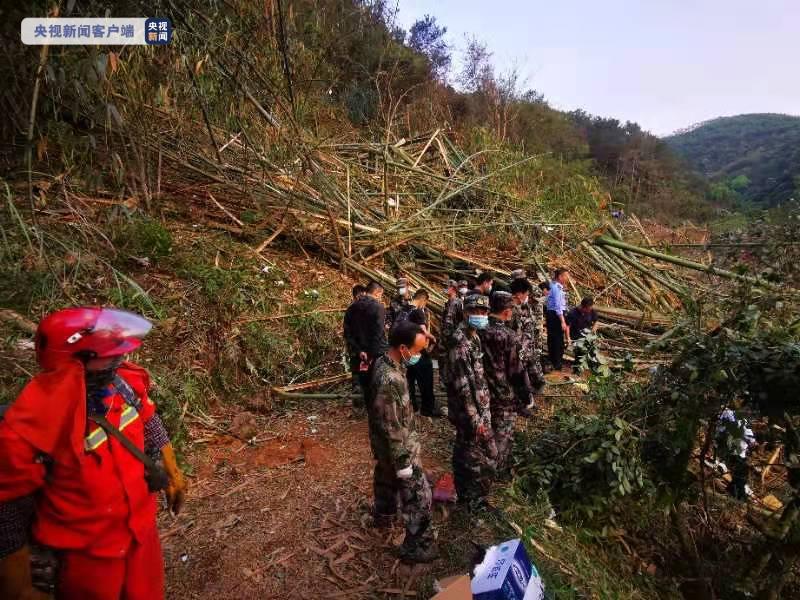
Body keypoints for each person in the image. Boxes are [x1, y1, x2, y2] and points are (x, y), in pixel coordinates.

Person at [0, 307, 187, 600]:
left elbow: (148, 419)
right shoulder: (31, 427)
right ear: (78, 361)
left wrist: (172, 469)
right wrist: (19, 585)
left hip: (141, 534)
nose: (120, 358)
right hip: (86, 556)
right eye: (110, 355)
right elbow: (8, 508)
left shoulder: (123, 384)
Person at [367, 321, 436, 563]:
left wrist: (425, 335)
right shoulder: (390, 379)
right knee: (419, 496)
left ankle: (384, 514)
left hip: (387, 446)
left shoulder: (385, 361)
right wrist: (404, 462)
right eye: (416, 351)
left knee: (385, 477)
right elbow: (391, 424)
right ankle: (415, 546)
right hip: (399, 447)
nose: (418, 355)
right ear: (403, 348)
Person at [445, 294, 496, 510]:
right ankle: (471, 499)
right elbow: (463, 387)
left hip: (479, 407)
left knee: (471, 452)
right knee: (471, 456)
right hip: (468, 411)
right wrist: (477, 421)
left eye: (484, 312)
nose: (482, 316)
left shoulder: (474, 337)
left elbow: (478, 378)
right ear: (466, 313)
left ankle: (471, 494)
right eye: (477, 312)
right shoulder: (460, 344)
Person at [478, 292, 532, 473]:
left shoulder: (478, 330)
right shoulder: (508, 336)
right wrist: (526, 395)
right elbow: (516, 370)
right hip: (503, 394)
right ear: (507, 312)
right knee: (502, 434)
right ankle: (494, 471)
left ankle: (483, 462)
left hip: (481, 391)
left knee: (484, 430)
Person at [343, 281, 388, 407]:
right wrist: (371, 353)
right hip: (376, 354)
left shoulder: (352, 307)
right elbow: (378, 333)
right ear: (377, 292)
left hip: (359, 354)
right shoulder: (378, 307)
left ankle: (361, 406)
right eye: (381, 294)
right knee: (377, 383)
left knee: (361, 382)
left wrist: (360, 351)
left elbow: (348, 333)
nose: (380, 297)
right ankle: (377, 408)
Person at [509, 277, 545, 416]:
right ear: (519, 294)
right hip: (517, 351)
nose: (527, 297)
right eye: (526, 294)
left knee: (525, 377)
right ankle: (521, 404)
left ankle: (527, 401)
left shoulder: (522, 307)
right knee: (518, 380)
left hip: (525, 350)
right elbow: (515, 333)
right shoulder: (512, 310)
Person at [405, 290, 439, 417]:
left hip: (405, 351)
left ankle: (411, 407)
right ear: (423, 300)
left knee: (409, 380)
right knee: (425, 379)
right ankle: (427, 409)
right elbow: (424, 331)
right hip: (418, 350)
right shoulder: (418, 311)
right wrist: (433, 338)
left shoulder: (403, 310)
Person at [343, 284, 368, 399]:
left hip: (364, 350)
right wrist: (359, 350)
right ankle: (358, 403)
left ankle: (364, 402)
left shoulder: (367, 309)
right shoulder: (351, 311)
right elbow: (348, 334)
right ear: (357, 296)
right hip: (356, 350)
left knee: (366, 375)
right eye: (362, 296)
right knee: (357, 377)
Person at [437, 280, 463, 391]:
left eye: (447, 287)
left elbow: (452, 322)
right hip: (448, 338)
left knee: (449, 360)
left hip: (451, 338)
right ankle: (446, 381)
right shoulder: (450, 302)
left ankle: (450, 382)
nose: (445, 289)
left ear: (452, 289)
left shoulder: (455, 303)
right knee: (445, 360)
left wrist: (447, 339)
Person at [545, 268, 570, 371]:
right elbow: (558, 306)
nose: (567, 278)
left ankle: (554, 361)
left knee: (554, 338)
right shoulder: (556, 288)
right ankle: (557, 363)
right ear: (560, 277)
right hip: (556, 315)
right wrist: (562, 321)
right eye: (566, 276)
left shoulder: (554, 286)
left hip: (553, 314)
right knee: (557, 339)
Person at [566, 297, 599, 370]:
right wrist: (568, 338)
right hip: (576, 336)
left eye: (590, 309)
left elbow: (596, 321)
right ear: (583, 307)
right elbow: (567, 326)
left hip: (588, 336)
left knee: (591, 352)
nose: (589, 310)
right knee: (579, 353)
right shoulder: (572, 313)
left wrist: (593, 331)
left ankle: (589, 367)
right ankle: (577, 369)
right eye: (588, 309)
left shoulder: (591, 311)